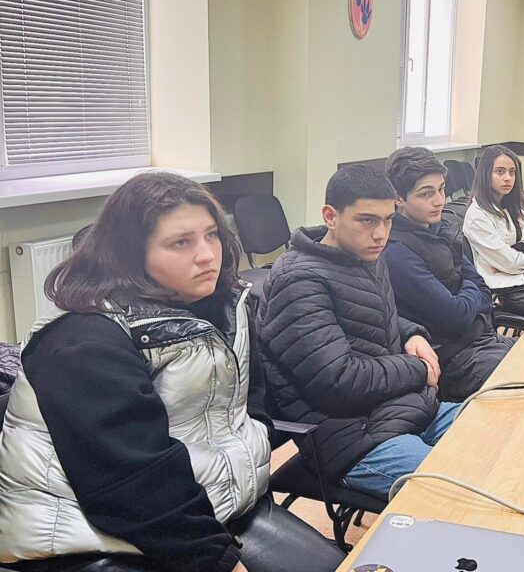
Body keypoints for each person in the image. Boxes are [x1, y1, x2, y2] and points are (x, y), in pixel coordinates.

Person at [0, 173, 343, 572]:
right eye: (181, 242)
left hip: (206, 509)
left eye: (212, 235)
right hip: (90, 542)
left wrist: (252, 450)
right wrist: (218, 560)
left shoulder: (224, 305)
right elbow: (132, 483)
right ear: (130, 254)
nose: (207, 255)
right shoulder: (83, 341)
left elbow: (248, 406)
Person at [258, 164, 458, 502]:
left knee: (498, 436)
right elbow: (339, 381)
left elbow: (368, 317)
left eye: (388, 220)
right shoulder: (299, 281)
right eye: (367, 220)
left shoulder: (363, 255)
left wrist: (411, 333)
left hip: (398, 410)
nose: (381, 233)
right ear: (330, 216)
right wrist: (418, 369)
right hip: (349, 437)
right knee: (466, 487)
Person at [382, 147, 514, 402]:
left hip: (484, 339)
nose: (440, 201)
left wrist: (468, 292)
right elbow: (456, 316)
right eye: (426, 193)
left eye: (441, 189)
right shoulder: (396, 252)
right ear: (398, 198)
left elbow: (483, 289)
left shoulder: (442, 228)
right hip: (456, 360)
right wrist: (470, 291)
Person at [463, 145, 524, 317]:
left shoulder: (511, 207)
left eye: (512, 172)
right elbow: (510, 263)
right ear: (485, 174)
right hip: (507, 288)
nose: (508, 178)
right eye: (500, 172)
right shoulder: (477, 216)